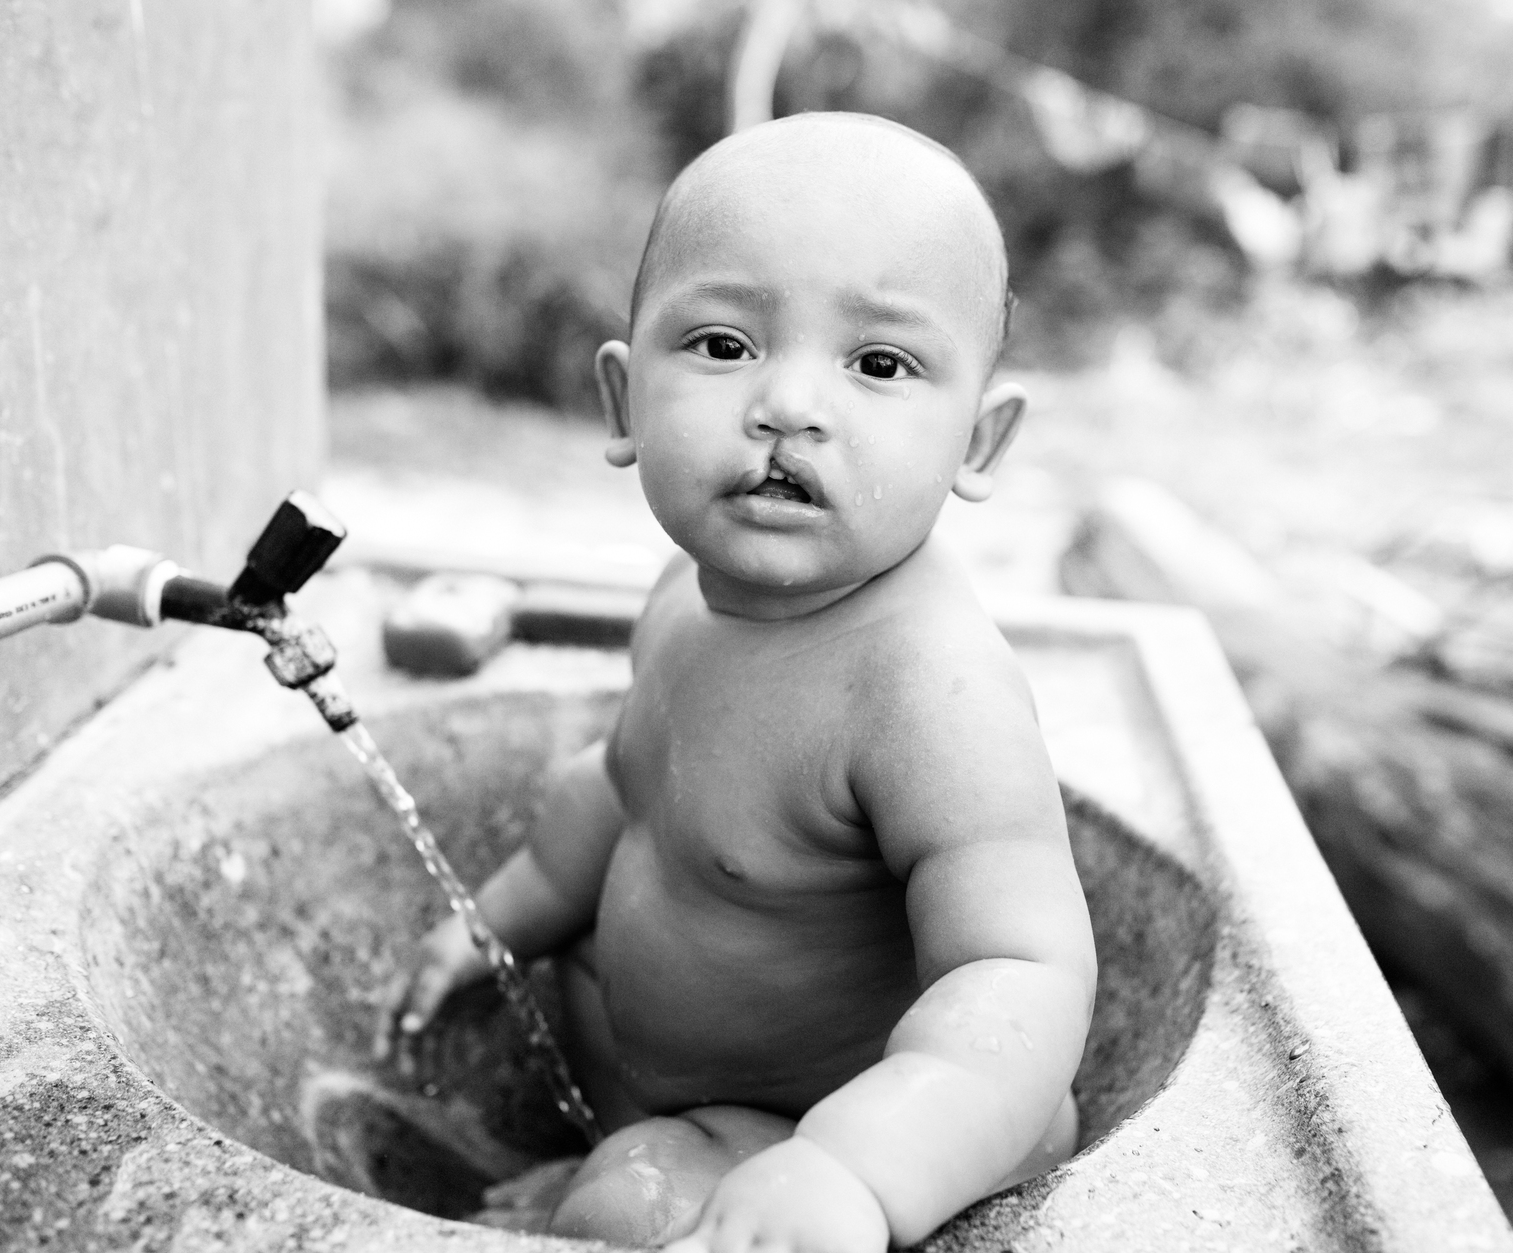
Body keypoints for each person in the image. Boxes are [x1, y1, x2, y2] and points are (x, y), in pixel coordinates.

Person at [375, 111, 1097, 1253]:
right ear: (624, 402)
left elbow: (1018, 971)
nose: (788, 405)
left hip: (843, 1119)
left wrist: (851, 1170)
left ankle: (656, 1173)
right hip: (681, 1083)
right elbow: (625, 787)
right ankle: (615, 1138)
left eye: (878, 363)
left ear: (977, 441)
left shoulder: (925, 690)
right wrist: (498, 919)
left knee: (621, 1209)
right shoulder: (685, 592)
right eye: (722, 345)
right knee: (591, 989)